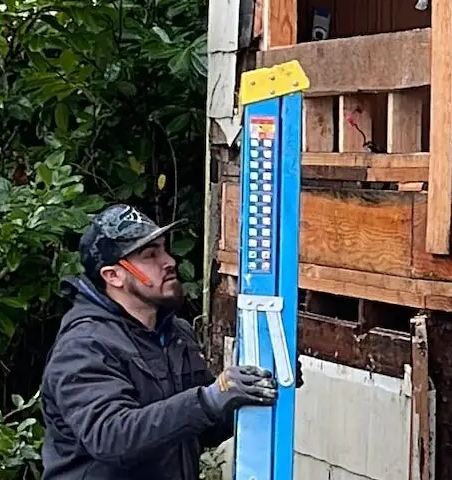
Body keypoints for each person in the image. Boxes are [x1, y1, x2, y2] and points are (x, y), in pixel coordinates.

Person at [41, 205, 276, 480]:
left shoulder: (175, 334)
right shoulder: (84, 347)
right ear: (113, 275)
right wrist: (209, 399)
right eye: (150, 255)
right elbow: (112, 437)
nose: (169, 261)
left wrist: (254, 388)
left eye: (164, 248)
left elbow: (198, 429)